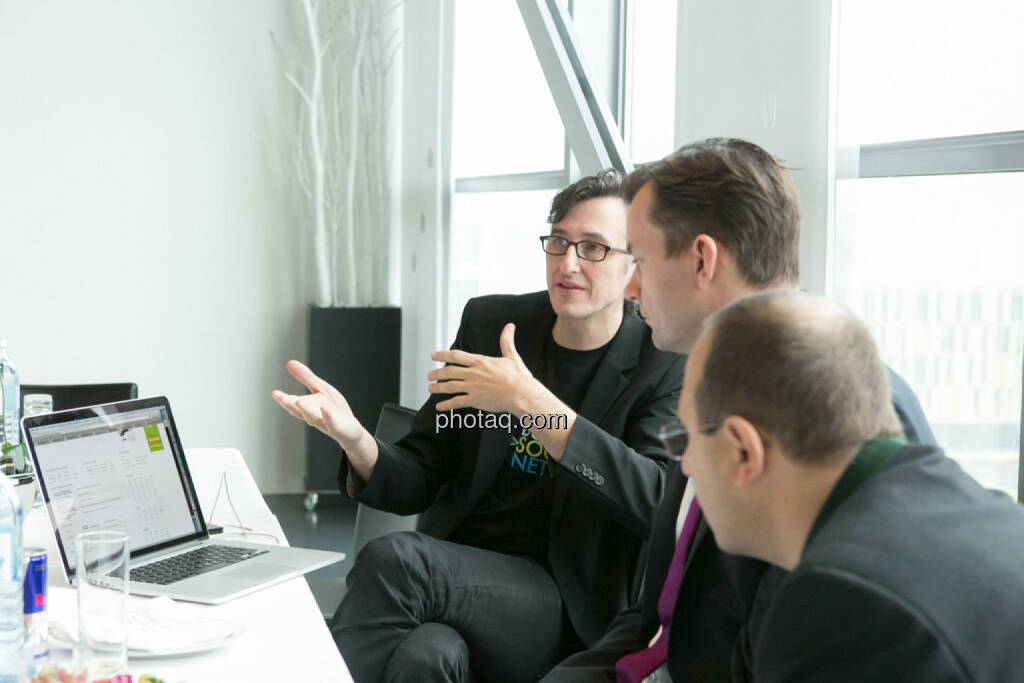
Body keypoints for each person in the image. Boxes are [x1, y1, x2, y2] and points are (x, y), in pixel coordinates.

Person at [542, 138, 935, 682]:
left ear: (703, 260)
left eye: (644, 260)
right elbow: (662, 609)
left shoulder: (853, 405)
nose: (629, 286)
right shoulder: (708, 383)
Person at [272, 170, 685, 683]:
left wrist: (531, 403)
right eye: (558, 241)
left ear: (634, 268)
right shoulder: (494, 324)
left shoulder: (661, 364)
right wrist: (353, 435)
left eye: (594, 248)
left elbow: (657, 502)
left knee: (396, 559)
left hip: (563, 605)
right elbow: (422, 472)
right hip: (457, 573)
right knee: (426, 656)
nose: (568, 262)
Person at [680, 291, 1024, 681]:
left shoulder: (837, 602)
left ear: (743, 449)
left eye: (686, 439)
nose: (686, 463)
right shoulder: (995, 514)